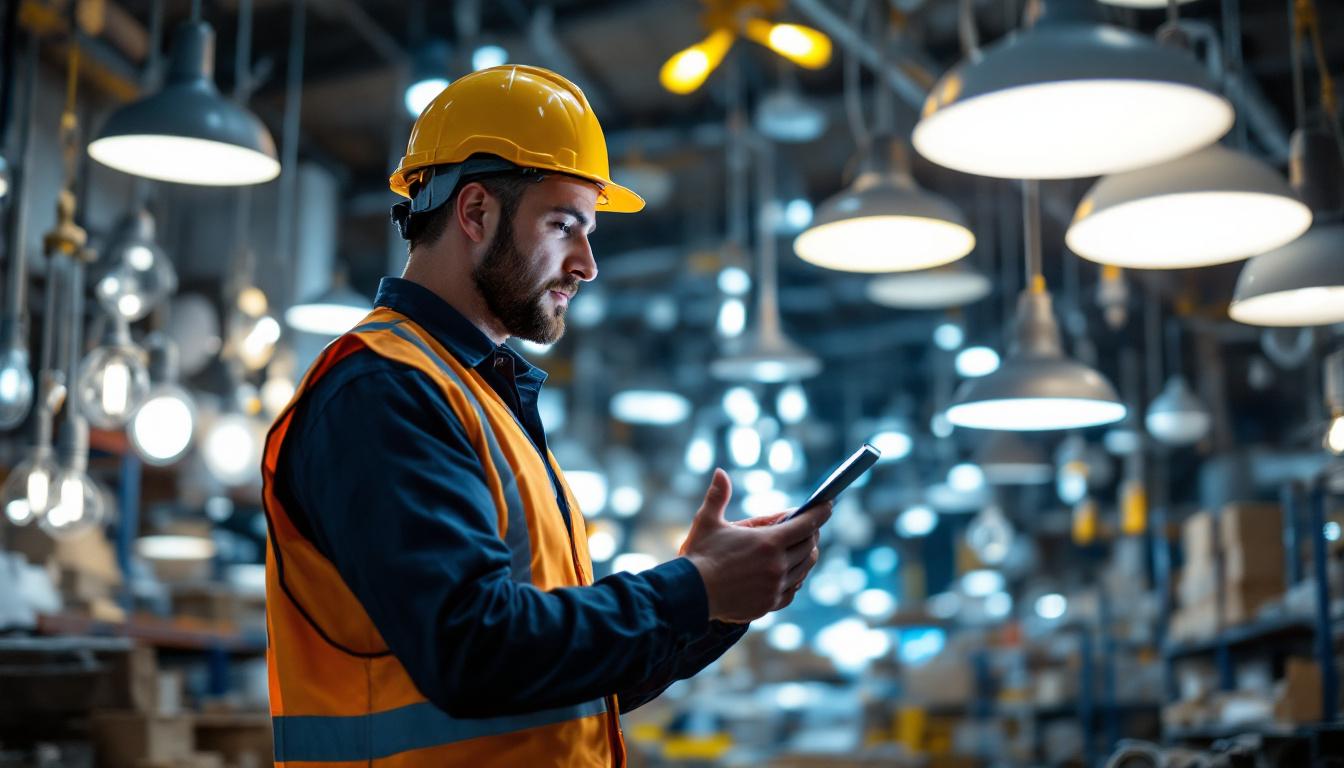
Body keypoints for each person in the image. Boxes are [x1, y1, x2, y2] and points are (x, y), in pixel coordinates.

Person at [260, 65, 830, 767]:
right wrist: (692, 587)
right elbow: (476, 651)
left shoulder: (478, 398)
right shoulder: (382, 391)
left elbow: (565, 681)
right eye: (564, 225)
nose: (587, 264)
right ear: (475, 213)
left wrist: (713, 603)